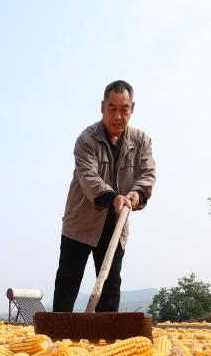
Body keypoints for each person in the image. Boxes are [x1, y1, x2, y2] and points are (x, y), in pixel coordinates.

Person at [53, 80, 156, 313]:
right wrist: (113, 198)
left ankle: (105, 340)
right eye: (112, 108)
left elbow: (147, 174)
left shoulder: (142, 141)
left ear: (132, 109)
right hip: (80, 221)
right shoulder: (87, 139)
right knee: (68, 281)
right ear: (102, 107)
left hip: (115, 223)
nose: (118, 116)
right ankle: (57, 336)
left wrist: (137, 193)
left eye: (124, 109)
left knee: (110, 284)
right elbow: (89, 178)